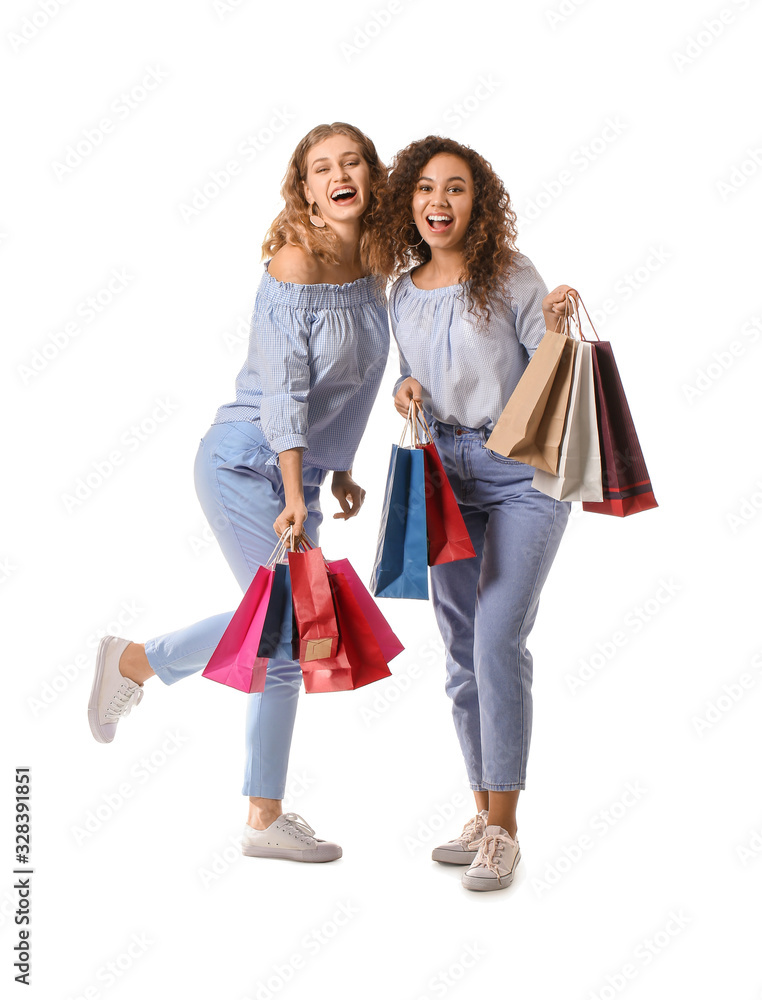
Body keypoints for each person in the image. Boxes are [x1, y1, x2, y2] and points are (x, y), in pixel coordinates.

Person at [87, 122, 389, 863]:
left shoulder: (373, 262)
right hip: (247, 465)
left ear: (371, 178)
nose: (339, 174)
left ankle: (136, 662)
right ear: (307, 188)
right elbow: (286, 393)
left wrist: (337, 468)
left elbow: (349, 387)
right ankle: (261, 818)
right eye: (322, 168)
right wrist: (295, 489)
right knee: (288, 634)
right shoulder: (295, 261)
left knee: (286, 629)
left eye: (352, 162)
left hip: (300, 475)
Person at [369, 135, 576, 892]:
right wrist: (404, 391)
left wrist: (554, 326)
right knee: (460, 648)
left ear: (478, 203)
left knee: (496, 637)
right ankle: (483, 811)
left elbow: (550, 374)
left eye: (456, 189)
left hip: (522, 473)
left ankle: (506, 831)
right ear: (408, 203)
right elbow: (409, 373)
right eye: (426, 189)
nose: (439, 202)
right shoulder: (402, 291)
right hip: (444, 471)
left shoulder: (514, 277)